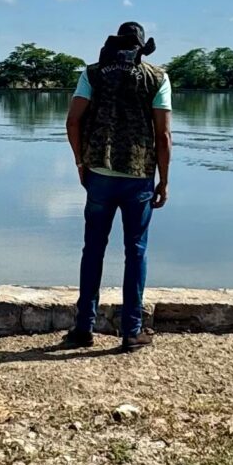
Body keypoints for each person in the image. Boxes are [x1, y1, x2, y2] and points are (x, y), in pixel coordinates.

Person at [61, 22, 171, 352]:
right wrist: (164, 180)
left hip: (99, 173)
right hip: (138, 176)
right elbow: (163, 136)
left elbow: (72, 121)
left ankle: (83, 329)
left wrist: (81, 161)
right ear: (141, 47)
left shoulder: (92, 74)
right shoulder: (157, 77)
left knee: (92, 249)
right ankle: (131, 331)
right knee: (135, 251)